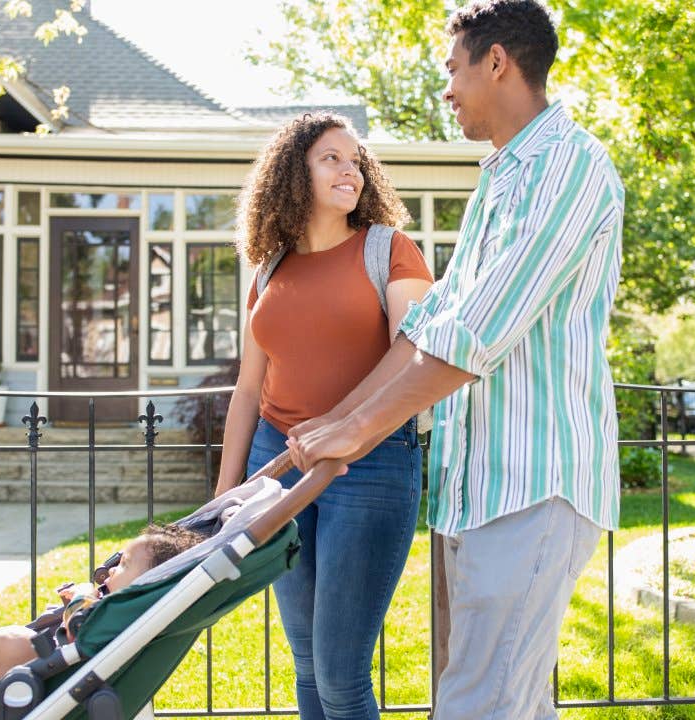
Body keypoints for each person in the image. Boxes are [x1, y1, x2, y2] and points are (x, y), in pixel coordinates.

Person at [286, 1, 625, 717]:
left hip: (535, 484)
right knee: (504, 702)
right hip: (476, 493)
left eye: (452, 69)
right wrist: (337, 421)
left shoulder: (569, 167)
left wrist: (361, 430)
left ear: (496, 61)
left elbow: (477, 333)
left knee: (479, 705)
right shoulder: (500, 181)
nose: (447, 89)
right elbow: (431, 326)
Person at [214, 112, 433, 720]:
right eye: (331, 158)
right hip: (276, 461)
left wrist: (340, 426)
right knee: (306, 662)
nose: (350, 169)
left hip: (369, 464)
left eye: (356, 159)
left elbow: (413, 351)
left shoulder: (390, 249)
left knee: (340, 673)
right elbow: (247, 387)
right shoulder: (268, 269)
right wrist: (227, 492)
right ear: (293, 174)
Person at [0, 524, 204, 697]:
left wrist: (79, 598)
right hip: (55, 665)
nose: (111, 570)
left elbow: (80, 624)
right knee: (15, 637)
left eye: (124, 566)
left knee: (12, 641)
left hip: (53, 682)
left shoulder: (127, 609)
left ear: (145, 583)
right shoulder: (124, 608)